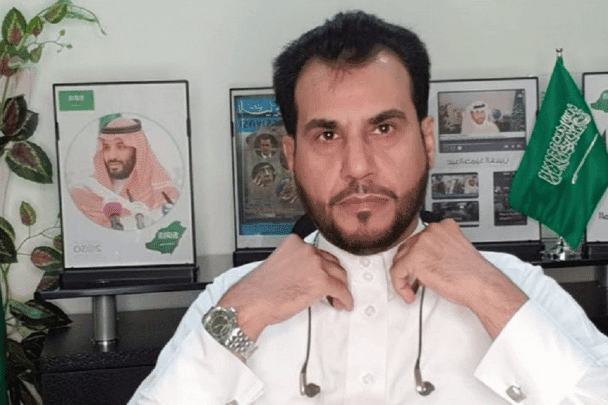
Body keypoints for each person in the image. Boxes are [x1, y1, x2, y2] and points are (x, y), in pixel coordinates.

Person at [129, 11, 608, 404]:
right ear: (291, 157)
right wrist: (244, 314)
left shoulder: (518, 287)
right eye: (327, 135)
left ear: (427, 140)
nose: (357, 166)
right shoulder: (231, 298)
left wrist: (488, 292)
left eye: (384, 129)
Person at [69, 116, 179, 230]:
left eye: (121, 147)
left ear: (138, 150)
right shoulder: (84, 192)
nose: (112, 156)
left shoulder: (165, 194)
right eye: (106, 147)